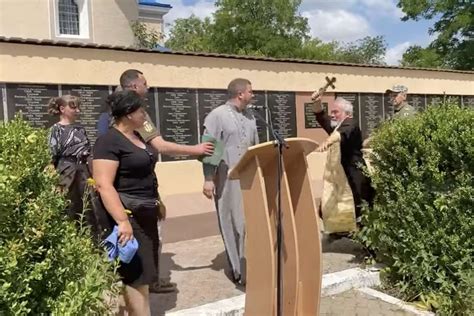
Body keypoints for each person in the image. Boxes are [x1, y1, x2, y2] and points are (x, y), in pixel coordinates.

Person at [119, 69, 214, 293]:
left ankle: (136, 281)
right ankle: (148, 281)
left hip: (127, 185)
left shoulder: (112, 109)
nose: (148, 87)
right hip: (139, 188)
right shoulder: (134, 111)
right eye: (145, 83)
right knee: (151, 232)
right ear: (134, 87)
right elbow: (159, 144)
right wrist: (196, 149)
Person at [93, 90, 159, 315]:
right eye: (141, 110)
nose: (144, 114)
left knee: (145, 273)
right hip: (128, 214)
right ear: (129, 114)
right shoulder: (108, 141)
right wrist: (122, 221)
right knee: (137, 274)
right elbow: (104, 184)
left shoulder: (138, 136)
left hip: (147, 210)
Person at [201, 78, 259, 284]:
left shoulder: (251, 115)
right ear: (240, 93)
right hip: (227, 176)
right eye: (251, 91)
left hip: (249, 177)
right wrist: (208, 178)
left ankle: (251, 264)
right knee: (232, 223)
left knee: (249, 224)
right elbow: (209, 148)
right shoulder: (217, 116)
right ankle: (238, 270)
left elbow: (255, 146)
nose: (253, 95)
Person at [312, 94, 373, 229]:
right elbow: (321, 117)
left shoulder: (351, 123)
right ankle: (340, 232)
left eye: (336, 112)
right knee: (326, 208)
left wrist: (328, 141)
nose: (332, 115)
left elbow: (343, 132)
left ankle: (365, 243)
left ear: (347, 114)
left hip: (355, 175)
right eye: (332, 112)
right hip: (339, 176)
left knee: (359, 208)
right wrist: (316, 102)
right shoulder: (336, 126)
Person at [48, 95, 91, 221]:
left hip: (83, 170)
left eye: (78, 107)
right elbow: (51, 155)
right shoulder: (55, 130)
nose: (77, 110)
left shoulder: (81, 129)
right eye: (73, 107)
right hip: (66, 170)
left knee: (86, 205)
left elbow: (88, 151)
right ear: (62, 109)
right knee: (68, 205)